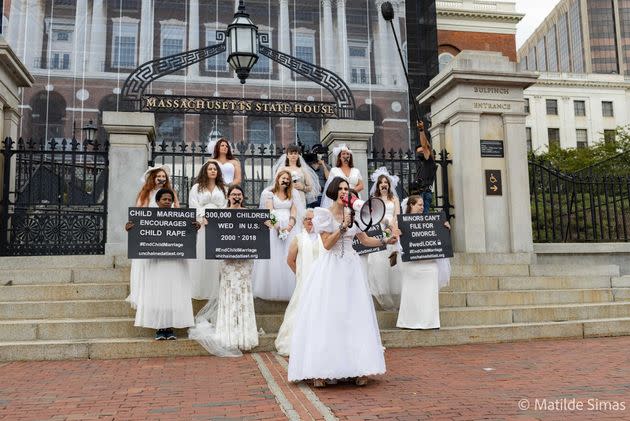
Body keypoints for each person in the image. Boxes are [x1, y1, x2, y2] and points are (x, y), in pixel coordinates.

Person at [288, 177, 397, 388]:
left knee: (354, 315)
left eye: (347, 188)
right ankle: (320, 369)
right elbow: (327, 244)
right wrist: (343, 228)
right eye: (340, 189)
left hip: (352, 268)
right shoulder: (323, 214)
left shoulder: (355, 213)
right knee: (329, 316)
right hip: (331, 268)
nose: (344, 192)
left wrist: (385, 241)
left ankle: (358, 367)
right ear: (333, 191)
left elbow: (364, 240)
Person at [189, 185, 258, 356]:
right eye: (233, 194)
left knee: (243, 292)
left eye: (239, 194)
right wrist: (201, 223)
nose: (236, 196)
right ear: (228, 196)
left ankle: (245, 334)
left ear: (243, 197)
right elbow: (205, 224)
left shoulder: (249, 213)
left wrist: (269, 222)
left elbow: (269, 223)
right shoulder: (220, 214)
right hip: (227, 261)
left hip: (244, 261)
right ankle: (228, 334)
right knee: (228, 292)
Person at [126, 188, 197, 340]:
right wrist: (130, 229)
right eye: (164, 199)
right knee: (158, 293)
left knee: (172, 293)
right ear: (157, 201)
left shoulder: (180, 218)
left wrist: (194, 228)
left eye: (169, 199)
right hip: (156, 262)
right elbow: (138, 236)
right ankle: (160, 327)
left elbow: (188, 236)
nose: (167, 202)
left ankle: (170, 327)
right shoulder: (146, 217)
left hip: (175, 262)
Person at [127, 164, 179, 310]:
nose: (161, 179)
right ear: (153, 178)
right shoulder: (145, 193)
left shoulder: (171, 193)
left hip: (166, 234)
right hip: (148, 234)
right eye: (158, 176)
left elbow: (177, 210)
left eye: (164, 176)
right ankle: (143, 296)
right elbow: (138, 212)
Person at [396, 195, 451, 329]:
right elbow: (393, 240)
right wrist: (396, 234)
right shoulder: (401, 222)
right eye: (419, 205)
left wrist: (445, 228)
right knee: (411, 294)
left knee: (429, 293)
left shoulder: (431, 221)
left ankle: (429, 322)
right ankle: (408, 321)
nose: (422, 207)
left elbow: (441, 240)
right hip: (411, 264)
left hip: (429, 262)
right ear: (411, 205)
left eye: (422, 205)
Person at [274, 209, 325, 356]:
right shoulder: (298, 238)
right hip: (305, 280)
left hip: (321, 279)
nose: (310, 221)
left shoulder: (323, 237)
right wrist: (300, 273)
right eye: (307, 219)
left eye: (312, 219)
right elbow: (290, 260)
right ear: (303, 222)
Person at [252, 170, 299, 301]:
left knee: (288, 255)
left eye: (288, 179)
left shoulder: (292, 195)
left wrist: (289, 227)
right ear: (278, 179)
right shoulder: (269, 194)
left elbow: (294, 212)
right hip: (274, 227)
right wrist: (278, 227)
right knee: (274, 255)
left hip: (289, 228)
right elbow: (270, 211)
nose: (286, 181)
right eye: (283, 178)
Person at [188, 160, 228, 300]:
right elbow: (193, 203)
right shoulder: (197, 187)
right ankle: (200, 287)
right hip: (202, 223)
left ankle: (216, 288)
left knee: (216, 257)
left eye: (215, 169)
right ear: (205, 171)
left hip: (218, 224)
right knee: (202, 254)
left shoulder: (223, 188)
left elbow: (225, 205)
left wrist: (218, 218)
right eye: (210, 169)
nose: (212, 171)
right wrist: (202, 217)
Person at [367, 167, 402, 310]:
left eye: (385, 182)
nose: (383, 184)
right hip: (379, 229)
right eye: (381, 182)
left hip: (392, 229)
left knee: (392, 259)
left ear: (389, 184)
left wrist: (393, 228)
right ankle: (381, 291)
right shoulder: (374, 200)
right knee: (379, 260)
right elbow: (372, 217)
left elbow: (396, 214)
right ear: (378, 186)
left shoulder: (394, 199)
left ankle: (394, 291)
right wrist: (385, 225)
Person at [271, 144, 321, 209]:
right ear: (287, 155)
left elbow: (310, 187)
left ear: (298, 156)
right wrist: (288, 185)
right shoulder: (282, 169)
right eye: (291, 153)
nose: (293, 155)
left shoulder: (303, 170)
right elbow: (276, 185)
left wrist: (303, 187)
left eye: (295, 153)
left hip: (300, 198)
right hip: (286, 197)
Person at [320, 144, 364, 208]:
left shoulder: (356, 171)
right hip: (340, 199)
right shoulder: (334, 170)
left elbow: (361, 185)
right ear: (340, 157)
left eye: (348, 154)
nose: (345, 156)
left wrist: (350, 192)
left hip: (354, 199)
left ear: (350, 156)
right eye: (343, 154)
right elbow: (331, 185)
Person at [415, 121, 437, 215]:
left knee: (423, 218)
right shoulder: (422, 165)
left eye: (422, 151)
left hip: (425, 193)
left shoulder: (429, 160)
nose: (420, 153)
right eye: (418, 152)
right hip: (418, 193)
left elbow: (425, 145)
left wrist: (421, 129)